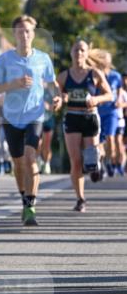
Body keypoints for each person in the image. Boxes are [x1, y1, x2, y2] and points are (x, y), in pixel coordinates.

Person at [0, 16, 62, 227]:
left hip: (35, 115)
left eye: (27, 31)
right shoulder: (4, 60)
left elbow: (52, 83)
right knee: (18, 163)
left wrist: (57, 97)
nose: (24, 35)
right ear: (14, 34)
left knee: (30, 158)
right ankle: (24, 197)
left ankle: (30, 205)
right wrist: (12, 84)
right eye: (20, 32)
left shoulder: (43, 59)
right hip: (11, 117)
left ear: (33, 34)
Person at [56, 39, 112, 212]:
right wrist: (61, 99)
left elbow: (109, 95)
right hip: (72, 117)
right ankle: (80, 199)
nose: (79, 53)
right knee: (76, 160)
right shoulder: (64, 76)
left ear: (87, 53)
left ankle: (96, 162)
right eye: (76, 50)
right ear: (71, 53)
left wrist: (96, 99)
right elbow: (57, 95)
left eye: (82, 50)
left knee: (90, 160)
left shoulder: (94, 74)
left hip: (90, 117)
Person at [90, 50, 123, 177]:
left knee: (110, 138)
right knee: (99, 141)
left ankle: (110, 162)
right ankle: (102, 163)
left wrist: (119, 99)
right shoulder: (96, 75)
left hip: (112, 112)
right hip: (99, 111)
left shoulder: (116, 76)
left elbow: (119, 89)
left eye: (108, 59)